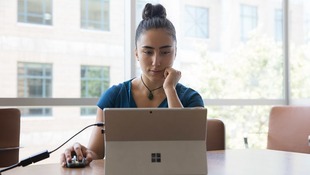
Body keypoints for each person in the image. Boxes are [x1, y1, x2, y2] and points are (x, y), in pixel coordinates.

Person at [60, 3, 204, 167]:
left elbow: (188, 149)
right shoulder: (114, 96)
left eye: (165, 52)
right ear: (136, 53)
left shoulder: (191, 98)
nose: (156, 62)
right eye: (148, 52)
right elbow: (96, 153)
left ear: (175, 52)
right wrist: (80, 152)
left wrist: (169, 89)